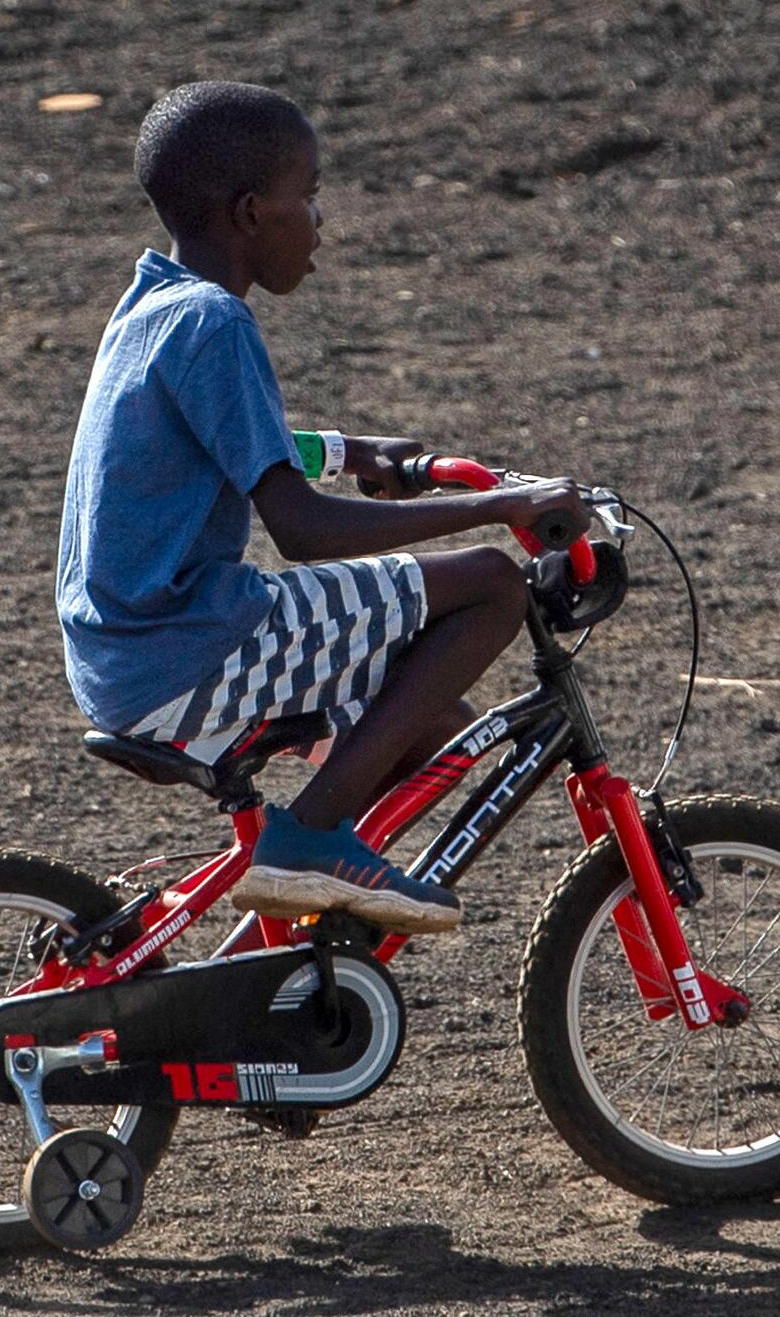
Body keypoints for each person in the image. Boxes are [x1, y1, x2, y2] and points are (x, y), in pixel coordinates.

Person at [59, 81, 582, 933]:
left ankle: (280, 950)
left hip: (125, 655)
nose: (320, 219)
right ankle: (308, 838)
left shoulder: (152, 306)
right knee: (491, 586)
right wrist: (505, 508)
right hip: (187, 650)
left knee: (435, 726)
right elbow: (306, 531)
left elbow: (223, 439)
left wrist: (356, 453)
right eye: (310, 196)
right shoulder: (215, 322)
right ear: (252, 212)